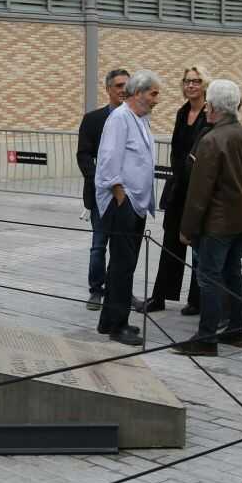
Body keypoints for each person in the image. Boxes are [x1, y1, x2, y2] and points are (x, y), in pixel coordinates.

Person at [173, 79, 242, 357]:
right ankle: (237, 332)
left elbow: (200, 192)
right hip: (240, 220)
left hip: (217, 223)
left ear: (214, 106)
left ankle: (206, 338)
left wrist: (187, 229)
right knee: (233, 274)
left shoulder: (211, 139)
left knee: (208, 277)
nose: (205, 106)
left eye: (208, 102)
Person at [94, 70, 162, 345]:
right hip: (124, 202)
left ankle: (109, 319)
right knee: (122, 265)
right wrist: (119, 194)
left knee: (125, 264)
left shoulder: (140, 119)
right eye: (154, 93)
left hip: (137, 203)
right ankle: (117, 325)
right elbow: (109, 159)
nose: (157, 99)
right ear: (138, 93)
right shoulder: (120, 118)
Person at [146, 66, 210, 315]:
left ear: (204, 85)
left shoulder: (209, 114)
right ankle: (160, 296)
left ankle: (197, 300)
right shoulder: (182, 112)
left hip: (197, 186)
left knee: (197, 245)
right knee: (170, 242)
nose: (191, 85)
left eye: (196, 81)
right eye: (187, 81)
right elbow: (175, 149)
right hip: (178, 186)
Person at [77, 69, 130, 311]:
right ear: (108, 89)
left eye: (126, 86)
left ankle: (119, 291)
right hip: (101, 195)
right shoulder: (93, 119)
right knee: (99, 245)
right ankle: (96, 290)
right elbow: (83, 154)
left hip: (126, 196)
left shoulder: (135, 118)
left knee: (123, 246)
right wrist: (100, 179)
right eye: (118, 86)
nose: (122, 90)